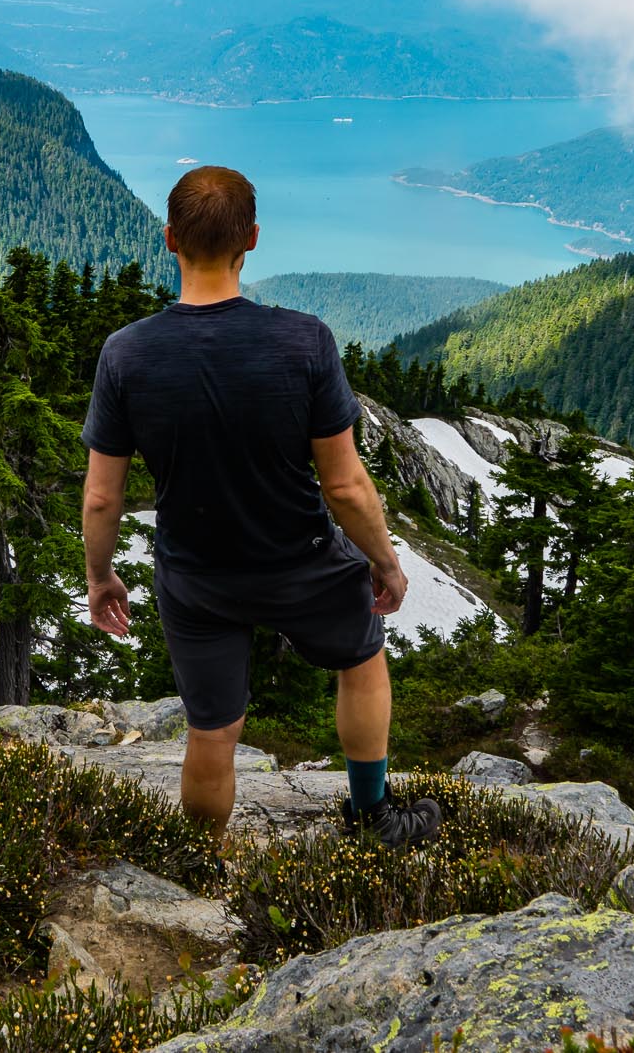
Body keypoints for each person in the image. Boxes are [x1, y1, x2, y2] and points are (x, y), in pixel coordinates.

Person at [79, 165, 442, 845]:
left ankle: (200, 861)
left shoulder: (126, 354)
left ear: (168, 239)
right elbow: (344, 485)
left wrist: (101, 578)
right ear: (251, 238)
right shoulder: (304, 342)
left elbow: (102, 496)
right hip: (298, 560)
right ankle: (373, 816)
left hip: (195, 576)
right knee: (362, 659)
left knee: (213, 727)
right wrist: (385, 560)